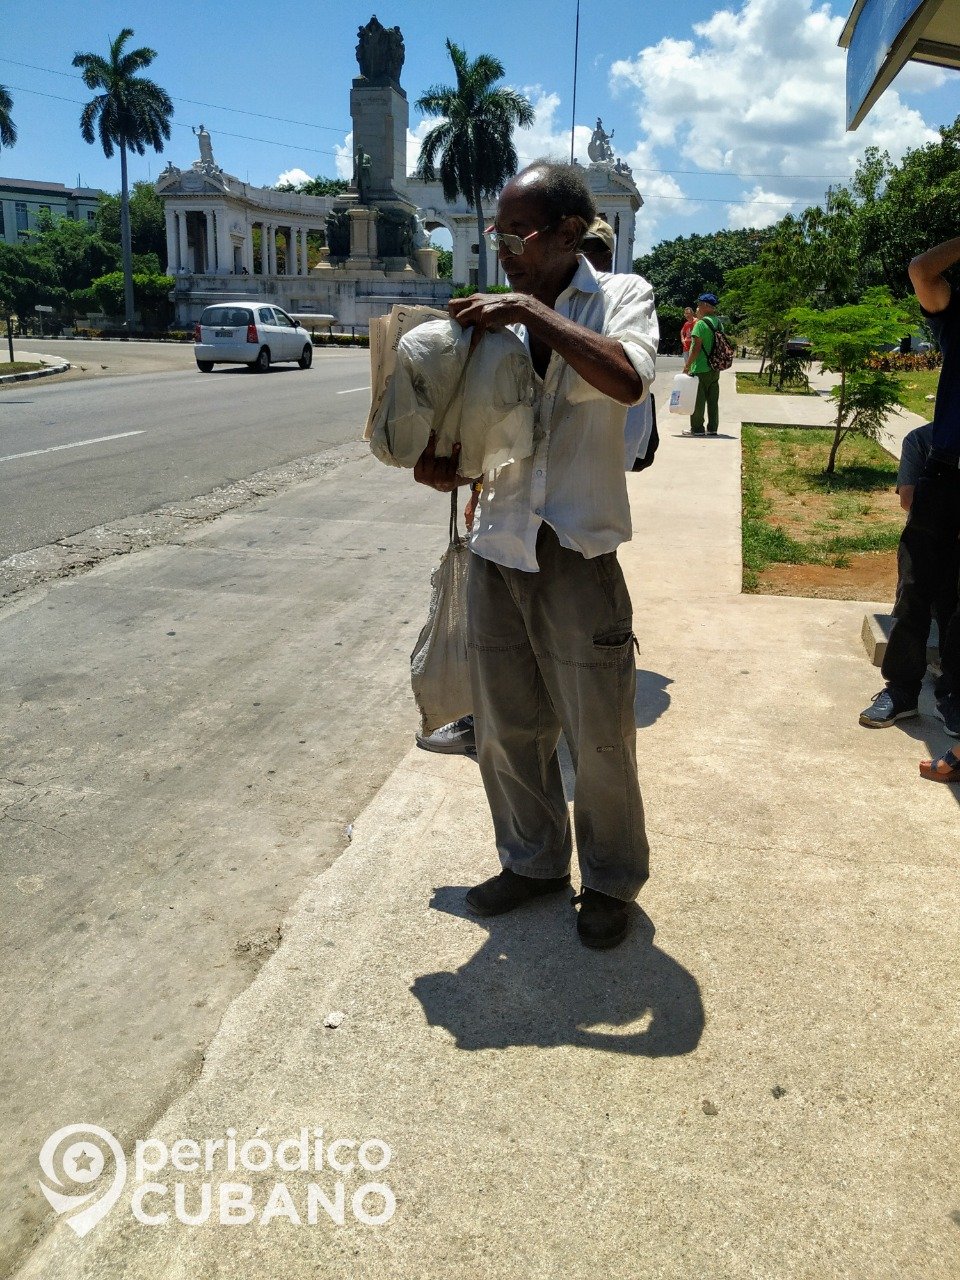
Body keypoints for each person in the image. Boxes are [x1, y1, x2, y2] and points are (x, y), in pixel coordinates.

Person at [413, 161, 658, 949]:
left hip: (576, 552)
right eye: (497, 231)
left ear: (565, 233)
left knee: (599, 735)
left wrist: (528, 311)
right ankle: (534, 862)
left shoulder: (622, 298)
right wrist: (439, 461)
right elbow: (464, 429)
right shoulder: (489, 321)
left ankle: (612, 881)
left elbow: (625, 379)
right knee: (509, 729)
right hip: (498, 546)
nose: (505, 246)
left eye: (518, 232)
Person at [859, 237, 960, 785]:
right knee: (916, 585)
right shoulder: (955, 317)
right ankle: (901, 690)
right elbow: (921, 268)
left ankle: (954, 696)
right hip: (947, 471)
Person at [682, 293, 725, 436]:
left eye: (699, 304)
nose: (697, 307)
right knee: (713, 400)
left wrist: (687, 366)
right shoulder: (718, 323)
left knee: (698, 400)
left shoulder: (700, 324)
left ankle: (697, 428)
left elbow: (695, 349)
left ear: (706, 306)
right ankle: (713, 428)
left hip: (700, 368)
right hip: (715, 368)